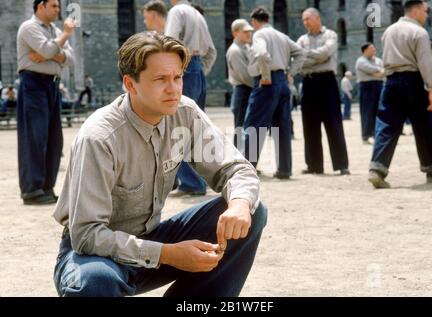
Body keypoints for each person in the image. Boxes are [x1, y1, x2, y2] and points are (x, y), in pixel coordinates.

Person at [52, 31, 266, 297]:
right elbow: (87, 235)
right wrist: (168, 254)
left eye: (177, 77)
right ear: (130, 84)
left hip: (151, 239)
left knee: (250, 211)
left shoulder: (184, 114)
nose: (173, 88)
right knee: (96, 282)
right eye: (160, 79)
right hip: (92, 254)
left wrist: (239, 205)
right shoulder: (100, 138)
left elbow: (236, 169)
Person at [368, 0, 432, 188]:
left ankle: (377, 169)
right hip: (414, 81)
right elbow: (425, 63)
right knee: (423, 126)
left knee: (387, 124)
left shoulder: (389, 31)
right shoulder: (420, 32)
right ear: (416, 10)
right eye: (425, 11)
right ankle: (431, 167)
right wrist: (431, 89)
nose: (426, 15)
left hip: (391, 82)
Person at [16, 0, 75, 205]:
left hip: (52, 86)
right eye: (53, 6)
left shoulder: (54, 30)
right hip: (34, 83)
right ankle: (32, 189)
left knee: (53, 138)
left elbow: (70, 59)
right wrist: (64, 37)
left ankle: (46, 187)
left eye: (58, 6)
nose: (58, 10)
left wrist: (51, 52)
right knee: (35, 137)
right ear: (40, 6)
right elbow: (50, 51)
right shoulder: (29, 27)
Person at [243, 7, 305, 180]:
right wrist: (291, 72)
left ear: (255, 21)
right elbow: (301, 53)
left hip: (266, 83)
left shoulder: (259, 35)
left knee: (255, 126)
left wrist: (265, 75)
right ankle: (284, 169)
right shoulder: (281, 35)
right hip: (283, 81)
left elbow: (262, 54)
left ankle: (246, 168)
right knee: (282, 127)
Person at [165, 0, 217, 196]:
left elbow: (169, 42)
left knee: (178, 125)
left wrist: (172, 73)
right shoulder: (198, 15)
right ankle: (200, 180)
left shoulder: (177, 11)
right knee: (195, 128)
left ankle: (191, 182)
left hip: (184, 68)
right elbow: (212, 50)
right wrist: (201, 70)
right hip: (197, 71)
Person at [296, 8, 350, 175]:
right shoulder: (302, 39)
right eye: (303, 20)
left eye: (307, 19)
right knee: (309, 125)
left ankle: (341, 165)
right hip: (308, 82)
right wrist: (315, 58)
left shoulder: (330, 35)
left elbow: (325, 53)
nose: (305, 22)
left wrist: (307, 57)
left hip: (327, 82)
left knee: (333, 123)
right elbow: (297, 61)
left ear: (317, 18)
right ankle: (314, 165)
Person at [226, 19, 254, 151]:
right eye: (245, 32)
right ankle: (240, 162)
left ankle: (248, 160)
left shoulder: (246, 47)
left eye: (250, 31)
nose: (249, 34)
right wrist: (261, 86)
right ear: (235, 33)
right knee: (241, 128)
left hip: (248, 90)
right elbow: (245, 75)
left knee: (249, 128)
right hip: (243, 90)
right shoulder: (235, 51)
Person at [355, 43, 385, 144]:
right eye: (371, 48)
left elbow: (384, 72)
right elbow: (369, 69)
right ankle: (366, 135)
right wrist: (378, 72)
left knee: (379, 111)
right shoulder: (361, 61)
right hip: (367, 87)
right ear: (365, 50)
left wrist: (375, 74)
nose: (374, 50)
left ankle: (378, 134)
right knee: (367, 111)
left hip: (379, 86)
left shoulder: (378, 60)